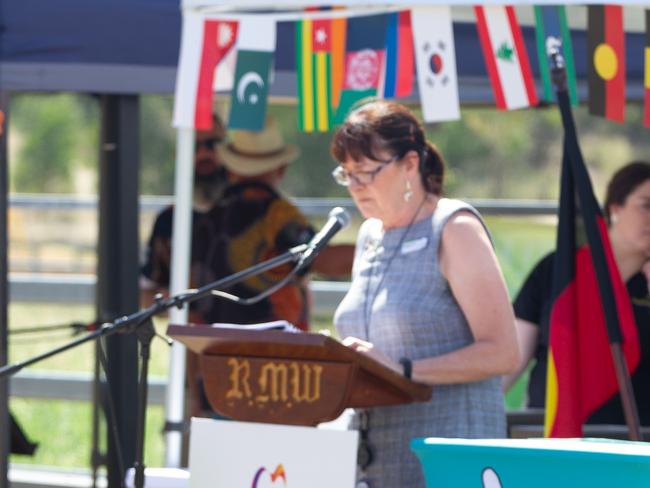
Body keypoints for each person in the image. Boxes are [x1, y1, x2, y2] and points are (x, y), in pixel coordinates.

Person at [331, 100, 518, 487]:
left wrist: (405, 372)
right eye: (347, 175)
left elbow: (503, 352)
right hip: (375, 461)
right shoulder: (369, 236)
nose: (355, 187)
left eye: (366, 172)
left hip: (447, 459)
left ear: (410, 164)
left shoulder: (454, 228)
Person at [188, 115, 354, 416]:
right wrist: (379, 248)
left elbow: (194, 309)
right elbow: (324, 260)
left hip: (219, 368)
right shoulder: (279, 215)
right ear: (280, 168)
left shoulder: (205, 221)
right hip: (275, 369)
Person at [504, 161, 650, 424]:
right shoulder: (557, 269)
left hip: (637, 443)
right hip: (555, 434)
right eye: (646, 206)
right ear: (615, 208)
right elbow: (511, 359)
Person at [139, 114, 228, 305]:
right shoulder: (168, 220)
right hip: (190, 330)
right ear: (179, 154)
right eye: (194, 146)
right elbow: (147, 292)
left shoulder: (248, 212)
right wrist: (167, 299)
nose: (204, 154)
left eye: (212, 144)